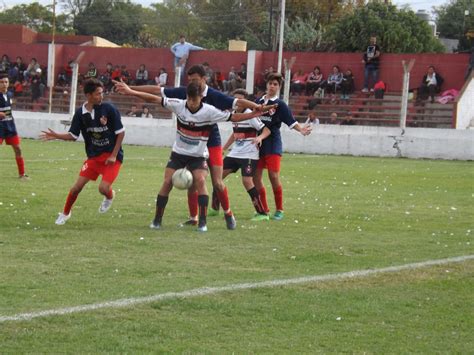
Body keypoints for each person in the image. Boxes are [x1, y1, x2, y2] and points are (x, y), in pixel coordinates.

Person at [113, 64, 265, 229]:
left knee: (216, 181)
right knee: (187, 182)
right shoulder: (182, 96)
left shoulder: (213, 100)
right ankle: (193, 217)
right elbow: (157, 92)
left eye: (195, 80)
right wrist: (130, 88)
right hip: (184, 145)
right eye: (190, 80)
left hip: (210, 139)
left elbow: (237, 106)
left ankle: (228, 213)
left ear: (203, 80)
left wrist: (256, 108)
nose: (192, 83)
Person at [40, 79, 125, 225]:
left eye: (102, 93)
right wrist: (56, 136)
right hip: (93, 158)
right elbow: (73, 136)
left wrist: (113, 155)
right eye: (98, 94)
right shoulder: (80, 113)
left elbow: (121, 133)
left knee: (103, 188)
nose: (101, 96)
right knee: (75, 188)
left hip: (112, 158)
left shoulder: (109, 109)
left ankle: (109, 196)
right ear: (88, 95)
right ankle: (65, 213)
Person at [253, 72, 312, 221]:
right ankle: (263, 210)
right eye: (270, 83)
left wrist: (302, 130)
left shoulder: (280, 105)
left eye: (275, 84)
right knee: (256, 177)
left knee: (273, 176)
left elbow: (291, 121)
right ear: (266, 85)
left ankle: (279, 210)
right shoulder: (258, 101)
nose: (272, 86)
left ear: (279, 87)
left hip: (272, 143)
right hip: (257, 144)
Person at [213, 89, 271, 221]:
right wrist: (224, 148)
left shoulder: (250, 115)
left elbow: (266, 130)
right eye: (236, 100)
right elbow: (235, 134)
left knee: (246, 181)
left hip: (249, 154)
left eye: (240, 101)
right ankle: (214, 208)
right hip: (235, 153)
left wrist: (259, 138)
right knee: (217, 177)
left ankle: (262, 213)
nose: (237, 103)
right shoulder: (233, 114)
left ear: (246, 103)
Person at [0, 74, 28, 180]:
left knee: (18, 149)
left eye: (6, 82)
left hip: (10, 125)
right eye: (2, 82)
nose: (4, 84)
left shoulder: (10, 94)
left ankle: (22, 174)